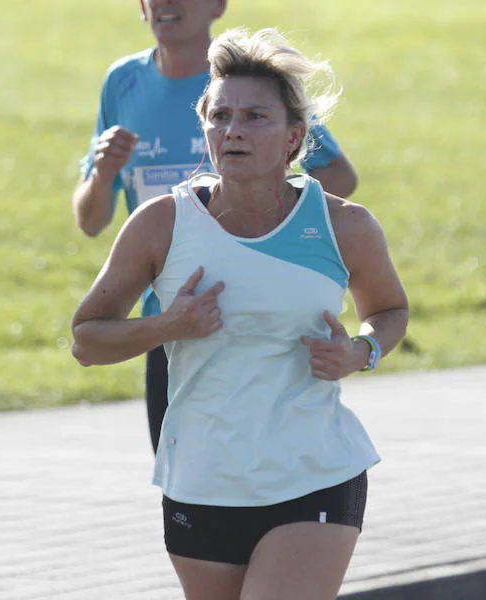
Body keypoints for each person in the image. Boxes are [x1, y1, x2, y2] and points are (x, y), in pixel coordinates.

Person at [71, 28, 408, 600]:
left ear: (295, 138)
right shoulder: (161, 224)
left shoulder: (345, 225)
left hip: (315, 471)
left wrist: (361, 350)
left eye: (256, 117)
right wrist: (168, 326)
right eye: (221, 115)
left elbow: (390, 310)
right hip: (202, 479)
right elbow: (86, 338)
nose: (234, 130)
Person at [72, 0, 359, 454]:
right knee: (185, 482)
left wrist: (248, 202)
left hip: (262, 316)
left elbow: (339, 177)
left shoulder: (242, 84)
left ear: (218, 5)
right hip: (173, 317)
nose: (165, 4)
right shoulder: (123, 82)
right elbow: (91, 222)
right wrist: (103, 175)